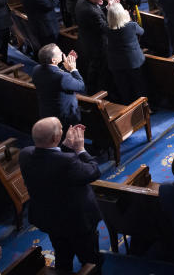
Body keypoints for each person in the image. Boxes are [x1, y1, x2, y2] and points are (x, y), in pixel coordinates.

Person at [19, 117, 103, 272]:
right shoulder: (68, 162)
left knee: (63, 256)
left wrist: (64, 146)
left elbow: (50, 161)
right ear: (55, 138)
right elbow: (93, 171)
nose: (63, 130)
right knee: (90, 259)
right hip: (78, 222)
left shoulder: (25, 155)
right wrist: (80, 149)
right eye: (60, 129)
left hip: (50, 219)